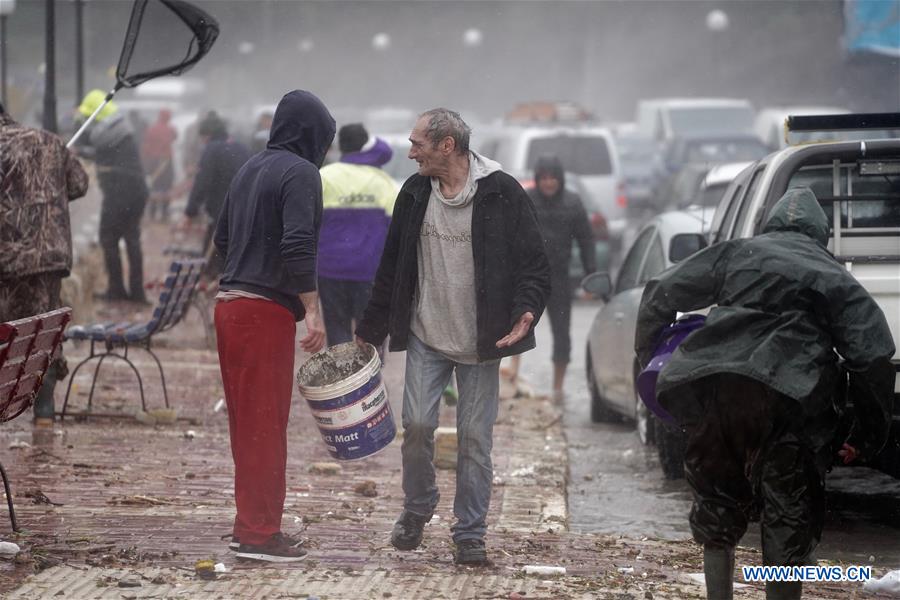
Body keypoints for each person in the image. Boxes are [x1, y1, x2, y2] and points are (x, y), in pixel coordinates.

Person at [634, 188, 895, 600]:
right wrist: (866, 435)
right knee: (788, 520)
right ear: (821, 235)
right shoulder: (832, 276)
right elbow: (874, 357)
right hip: (789, 403)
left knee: (717, 511)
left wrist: (649, 359)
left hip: (717, 391)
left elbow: (659, 293)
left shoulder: (735, 254)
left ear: (768, 225)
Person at [354, 108, 551, 566]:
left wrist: (526, 311)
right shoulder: (414, 192)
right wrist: (370, 330)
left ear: (447, 145)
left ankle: (470, 533)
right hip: (427, 334)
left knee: (474, 439)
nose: (410, 153)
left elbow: (534, 263)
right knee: (418, 426)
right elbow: (392, 268)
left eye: (417, 144)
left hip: (483, 342)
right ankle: (417, 508)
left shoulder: (502, 192)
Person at [213, 90, 335, 563]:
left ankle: (250, 524)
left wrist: (247, 264)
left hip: (229, 307)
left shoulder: (250, 167)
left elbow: (221, 237)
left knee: (247, 426)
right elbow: (298, 242)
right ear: (313, 134)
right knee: (265, 427)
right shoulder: (301, 173)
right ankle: (261, 535)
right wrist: (311, 308)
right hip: (263, 313)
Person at [0, 101, 89, 426]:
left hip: (5, 258)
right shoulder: (48, 141)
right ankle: (44, 409)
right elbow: (79, 185)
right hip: (45, 257)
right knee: (42, 330)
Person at [507, 155, 596, 398]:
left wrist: (591, 275)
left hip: (559, 277)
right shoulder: (526, 200)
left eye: (553, 178)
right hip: (528, 276)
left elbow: (587, 240)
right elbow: (510, 236)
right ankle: (511, 376)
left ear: (560, 180)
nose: (548, 183)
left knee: (562, 331)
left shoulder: (572, 203)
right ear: (538, 179)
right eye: (544, 178)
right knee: (519, 323)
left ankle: (558, 387)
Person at [317, 123, 398, 345]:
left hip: (330, 270)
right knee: (371, 336)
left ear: (340, 146)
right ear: (365, 145)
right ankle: (371, 378)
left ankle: (344, 377)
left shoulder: (324, 176)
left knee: (338, 335)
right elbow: (395, 231)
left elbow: (310, 224)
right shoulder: (383, 182)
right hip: (369, 271)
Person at [76, 89, 149, 303]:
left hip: (120, 193)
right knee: (132, 240)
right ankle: (137, 293)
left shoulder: (106, 131)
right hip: (135, 191)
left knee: (108, 238)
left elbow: (98, 148)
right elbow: (104, 153)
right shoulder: (120, 127)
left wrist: (80, 152)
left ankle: (116, 289)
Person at [183, 112, 251, 278]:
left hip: (222, 205)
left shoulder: (213, 149)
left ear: (208, 135)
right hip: (247, 205)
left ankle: (212, 279)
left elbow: (202, 181)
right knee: (236, 247)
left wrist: (191, 210)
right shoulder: (240, 147)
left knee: (216, 248)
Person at [141, 108, 177, 222]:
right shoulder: (170, 129)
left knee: (154, 186)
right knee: (166, 188)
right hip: (166, 161)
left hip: (152, 160)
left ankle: (152, 212)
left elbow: (146, 144)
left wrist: (145, 161)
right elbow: (175, 137)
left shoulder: (151, 129)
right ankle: (164, 213)